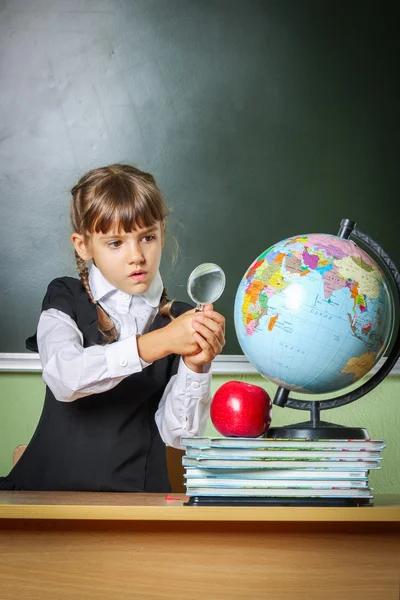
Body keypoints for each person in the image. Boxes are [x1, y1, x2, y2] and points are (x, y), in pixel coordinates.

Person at [0, 164, 225, 492]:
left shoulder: (178, 318)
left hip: (136, 503)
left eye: (147, 237)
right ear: (83, 245)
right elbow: (65, 378)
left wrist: (196, 366)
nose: (137, 256)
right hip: (46, 496)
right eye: (116, 243)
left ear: (162, 232)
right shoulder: (65, 296)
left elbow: (179, 435)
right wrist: (157, 343)